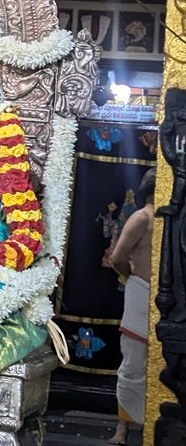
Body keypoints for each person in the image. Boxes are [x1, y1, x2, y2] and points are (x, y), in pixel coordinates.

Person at [103, 168, 157, 445]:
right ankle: (122, 429)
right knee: (133, 362)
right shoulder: (141, 218)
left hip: (168, 301)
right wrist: (135, 278)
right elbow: (117, 258)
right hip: (140, 293)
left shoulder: (173, 218)